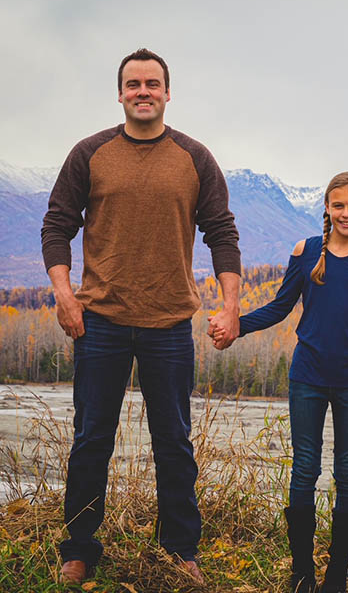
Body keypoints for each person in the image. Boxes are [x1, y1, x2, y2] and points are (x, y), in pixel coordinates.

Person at [40, 48, 242, 585]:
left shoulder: (194, 157)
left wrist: (230, 305)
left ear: (168, 93)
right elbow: (57, 225)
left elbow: (221, 232)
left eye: (153, 83)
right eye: (134, 84)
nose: (143, 91)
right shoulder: (90, 153)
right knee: (91, 440)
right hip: (100, 322)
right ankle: (79, 549)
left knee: (173, 442)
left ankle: (180, 550)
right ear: (121, 93)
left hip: (170, 323)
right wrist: (65, 295)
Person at [210, 171, 348, 593]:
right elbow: (280, 306)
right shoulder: (305, 251)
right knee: (305, 468)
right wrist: (237, 325)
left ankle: (336, 577)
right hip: (307, 376)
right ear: (327, 207)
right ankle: (303, 573)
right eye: (338, 205)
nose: (346, 213)